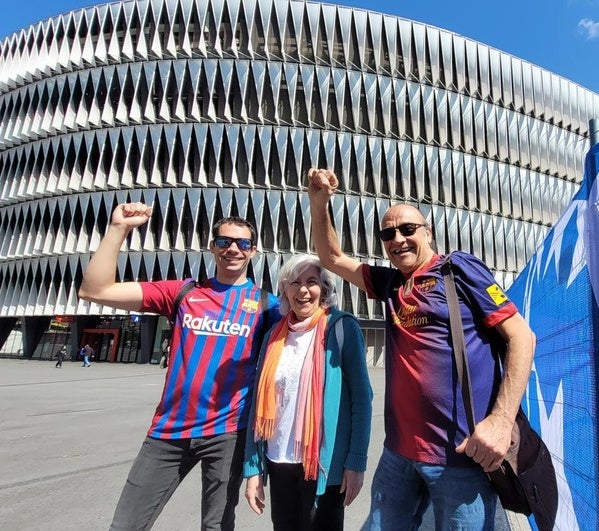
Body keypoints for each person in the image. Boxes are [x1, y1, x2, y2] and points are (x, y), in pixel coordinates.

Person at [307, 168, 536, 530]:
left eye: (407, 229)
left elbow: (521, 337)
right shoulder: (389, 284)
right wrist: (319, 203)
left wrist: (501, 421)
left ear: (427, 231)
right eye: (388, 233)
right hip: (398, 455)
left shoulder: (457, 269)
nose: (398, 238)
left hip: (460, 458)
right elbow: (332, 257)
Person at [78, 202, 281, 531]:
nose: (233, 249)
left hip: (228, 433)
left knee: (216, 526)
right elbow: (95, 290)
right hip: (168, 432)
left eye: (242, 243)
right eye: (224, 241)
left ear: (254, 251)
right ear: (211, 246)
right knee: (126, 525)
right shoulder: (184, 292)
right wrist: (118, 228)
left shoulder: (266, 305)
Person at [243, 255, 372, 531]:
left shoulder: (342, 328)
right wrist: (253, 468)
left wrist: (356, 463)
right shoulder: (273, 336)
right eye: (295, 283)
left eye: (312, 282)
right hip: (278, 460)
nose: (303, 290)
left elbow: (362, 399)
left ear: (324, 289)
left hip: (324, 464)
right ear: (285, 290)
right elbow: (258, 404)